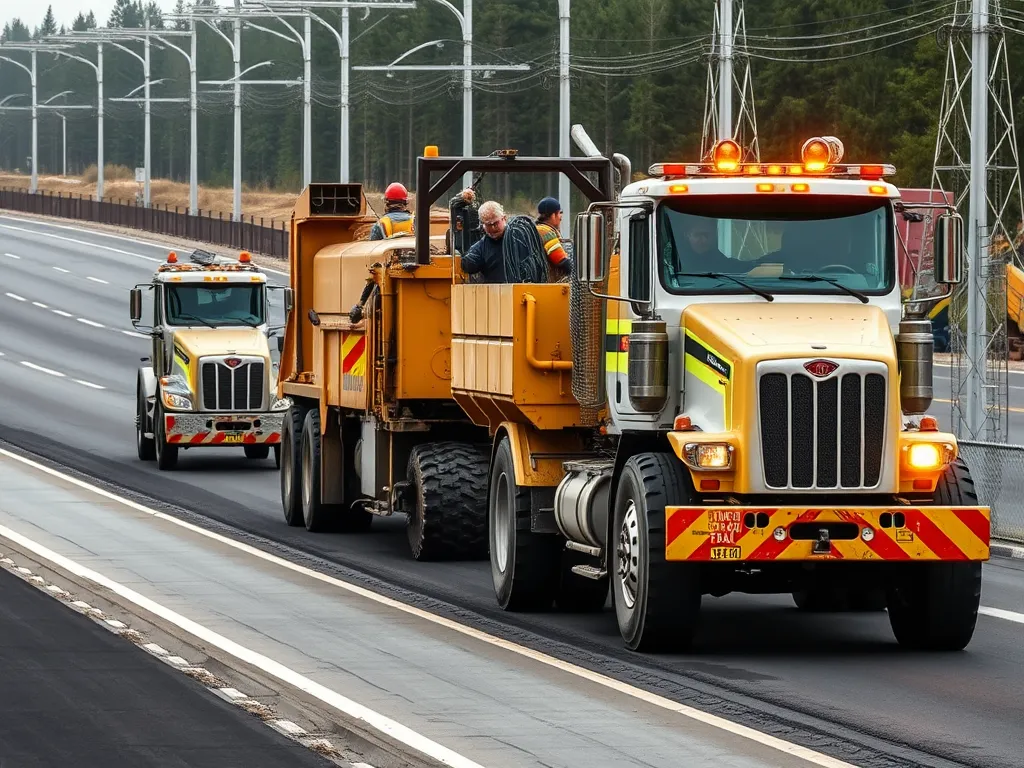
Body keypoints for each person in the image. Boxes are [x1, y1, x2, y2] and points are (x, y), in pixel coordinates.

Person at [460, 199, 508, 283]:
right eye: (488, 224)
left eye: (495, 223)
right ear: (483, 225)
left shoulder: (519, 238)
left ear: (504, 218)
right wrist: (466, 262)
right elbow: (470, 263)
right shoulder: (481, 248)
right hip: (496, 293)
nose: (493, 228)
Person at [535, 196, 573, 279]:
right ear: (553, 215)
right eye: (559, 213)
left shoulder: (538, 229)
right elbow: (561, 260)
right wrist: (576, 272)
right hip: (549, 286)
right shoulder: (545, 232)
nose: (561, 217)